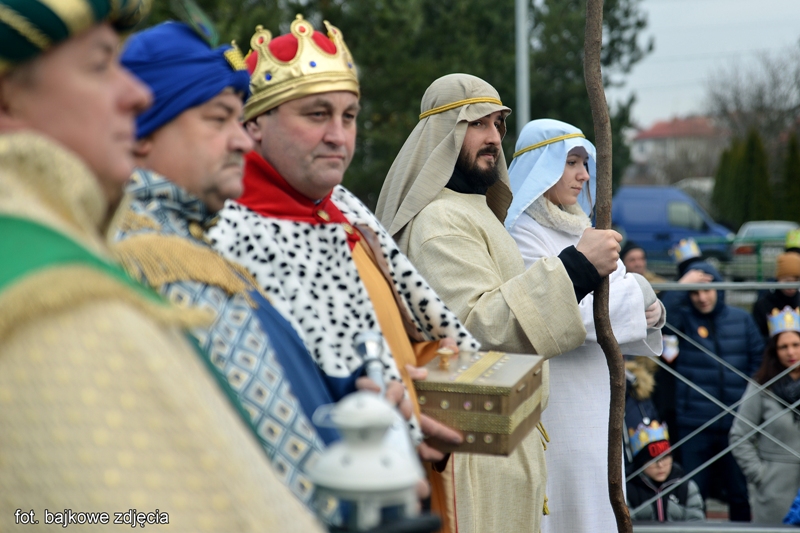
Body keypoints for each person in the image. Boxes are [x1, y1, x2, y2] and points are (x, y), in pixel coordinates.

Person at [0, 3, 322, 531]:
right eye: (100, 64)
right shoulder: (62, 293)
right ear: (7, 96)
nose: (137, 95)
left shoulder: (134, 252)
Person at [207, 17, 470, 531]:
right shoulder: (226, 237)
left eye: (349, 116)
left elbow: (415, 329)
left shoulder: (344, 205)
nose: (338, 136)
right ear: (254, 124)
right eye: (317, 114)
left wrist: (439, 399)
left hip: (411, 474)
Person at [375, 74, 622, 533]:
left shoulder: (474, 212)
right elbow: (476, 330)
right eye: (478, 124)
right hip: (470, 452)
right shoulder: (439, 219)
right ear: (445, 131)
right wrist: (577, 268)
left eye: (498, 124)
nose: (493, 137)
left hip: (501, 443)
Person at [113, 21, 344, 508]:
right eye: (219, 120)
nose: (242, 142)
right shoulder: (152, 261)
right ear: (142, 130)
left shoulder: (188, 244)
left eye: (240, 122)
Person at [504, 118, 664, 532]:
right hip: (559, 404)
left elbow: (617, 296)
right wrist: (638, 294)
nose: (584, 175)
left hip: (597, 402)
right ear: (541, 166)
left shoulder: (585, 229)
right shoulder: (521, 235)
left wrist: (650, 310)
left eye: (585, 163)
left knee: (600, 505)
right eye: (571, 162)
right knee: (568, 507)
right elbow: (564, 311)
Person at [661, 260, 763, 521]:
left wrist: (748, 404)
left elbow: (759, 361)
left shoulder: (741, 319)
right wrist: (681, 286)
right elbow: (660, 320)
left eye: (707, 289)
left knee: (739, 492)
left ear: (719, 289)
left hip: (736, 422)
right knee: (695, 492)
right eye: (695, 292)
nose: (702, 298)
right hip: (695, 422)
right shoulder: (684, 319)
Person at [730, 306, 800, 524]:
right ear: (774, 351)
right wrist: (761, 476)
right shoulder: (761, 386)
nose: (791, 352)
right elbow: (739, 436)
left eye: (796, 345)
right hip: (775, 492)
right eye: (783, 347)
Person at [626, 422, 705, 522]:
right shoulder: (627, 490)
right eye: (653, 460)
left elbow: (697, 523)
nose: (660, 465)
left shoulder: (686, 487)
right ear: (641, 463)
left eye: (665, 457)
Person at [751, 253, 800, 340]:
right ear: (778, 279)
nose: (791, 287)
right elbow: (757, 337)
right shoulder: (763, 304)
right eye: (787, 282)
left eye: (796, 281)